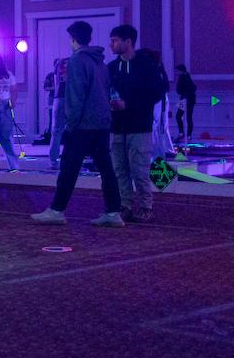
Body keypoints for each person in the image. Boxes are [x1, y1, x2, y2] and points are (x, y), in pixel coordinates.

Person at [32, 21, 123, 227]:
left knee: (69, 168)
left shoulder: (76, 60)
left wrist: (71, 124)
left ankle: (56, 210)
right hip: (101, 122)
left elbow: (75, 94)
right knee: (106, 169)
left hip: (82, 124)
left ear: (73, 39)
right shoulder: (100, 61)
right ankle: (113, 211)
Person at [107, 25, 168, 223]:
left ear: (128, 42)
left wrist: (129, 104)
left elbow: (156, 93)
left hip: (139, 126)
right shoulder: (112, 68)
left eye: (115, 40)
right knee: (120, 170)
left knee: (139, 170)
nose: (112, 44)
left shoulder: (145, 66)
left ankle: (145, 206)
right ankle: (125, 205)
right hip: (117, 127)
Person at [48, 58, 69, 171]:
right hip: (71, 97)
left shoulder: (58, 64)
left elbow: (57, 83)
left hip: (59, 97)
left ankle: (53, 162)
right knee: (73, 130)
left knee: (56, 131)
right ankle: (70, 160)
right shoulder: (74, 62)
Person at [175, 63, 197, 142]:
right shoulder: (186, 77)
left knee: (182, 116)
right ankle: (187, 135)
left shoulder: (184, 78)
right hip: (186, 99)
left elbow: (180, 89)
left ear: (181, 71)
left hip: (186, 99)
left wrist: (183, 93)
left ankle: (185, 134)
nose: (176, 73)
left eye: (177, 71)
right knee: (186, 117)